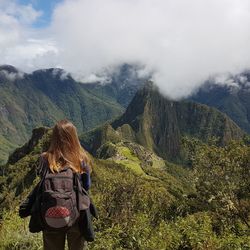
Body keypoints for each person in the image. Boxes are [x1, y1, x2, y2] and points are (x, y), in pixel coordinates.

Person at [39, 119, 92, 250]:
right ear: (74, 137)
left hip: (50, 213)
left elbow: (42, 183)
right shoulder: (82, 159)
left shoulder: (45, 158)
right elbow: (86, 186)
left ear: (54, 137)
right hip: (76, 215)